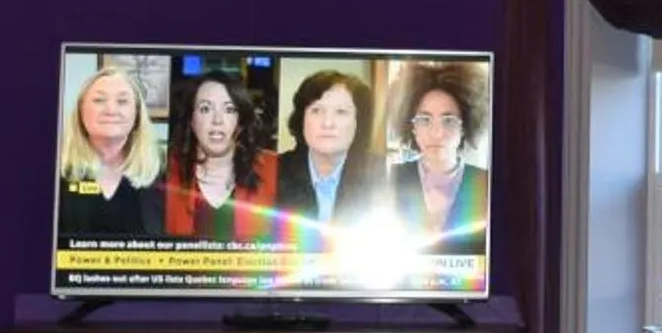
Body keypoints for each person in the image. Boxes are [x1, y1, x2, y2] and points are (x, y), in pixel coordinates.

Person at [157, 67, 279, 243]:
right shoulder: (163, 172)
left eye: (229, 110)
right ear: (191, 120)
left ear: (241, 121)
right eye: (206, 109)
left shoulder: (273, 168)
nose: (217, 120)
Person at [388, 61, 491, 255]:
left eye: (449, 121)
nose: (436, 133)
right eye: (424, 120)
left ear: (464, 127)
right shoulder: (389, 179)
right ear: (412, 127)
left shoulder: (486, 183)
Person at [56, 63, 160, 241]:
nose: (111, 110)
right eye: (99, 100)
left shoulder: (162, 173)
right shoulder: (58, 169)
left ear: (137, 116)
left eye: (122, 101)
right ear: (80, 112)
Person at [278, 68, 384, 237]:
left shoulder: (384, 174)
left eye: (341, 112)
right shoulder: (274, 171)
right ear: (301, 119)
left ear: (359, 122)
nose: (327, 123)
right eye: (317, 110)